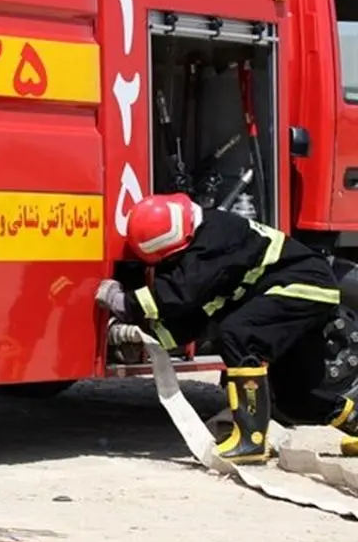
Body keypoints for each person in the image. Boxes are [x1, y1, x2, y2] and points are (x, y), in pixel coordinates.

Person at [95, 193, 358, 463]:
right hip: (297, 291)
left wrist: (124, 302)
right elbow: (200, 312)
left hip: (304, 286)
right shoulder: (203, 246)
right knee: (294, 399)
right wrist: (150, 338)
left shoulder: (215, 235)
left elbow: (178, 293)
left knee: (238, 334)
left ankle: (251, 440)